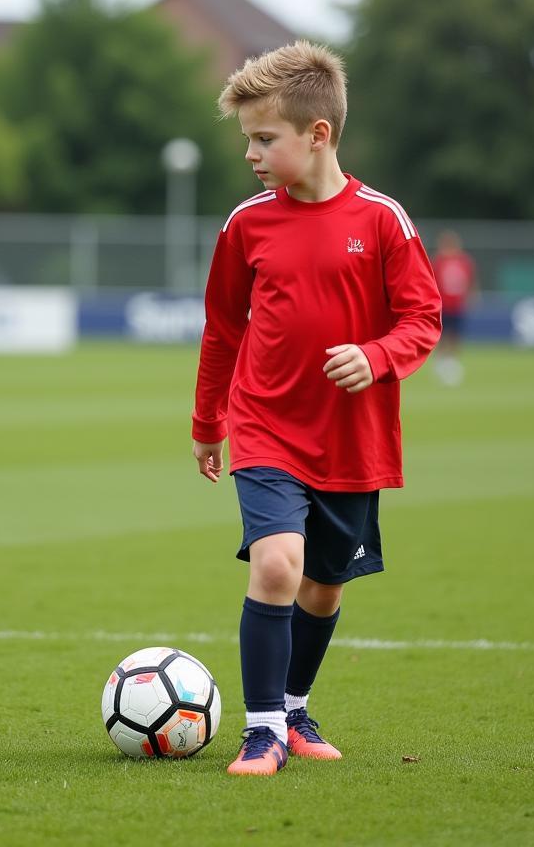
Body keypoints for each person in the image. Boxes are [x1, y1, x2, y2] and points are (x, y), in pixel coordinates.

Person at [191, 41, 441, 777]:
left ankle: (293, 707)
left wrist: (378, 355)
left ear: (318, 134)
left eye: (264, 139)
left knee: (324, 585)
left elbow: (422, 319)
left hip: (352, 439)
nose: (252, 154)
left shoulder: (385, 220)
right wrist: (210, 424)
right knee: (277, 564)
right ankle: (261, 730)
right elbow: (223, 330)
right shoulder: (246, 225)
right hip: (266, 425)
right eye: (248, 140)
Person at [431, 230, 477, 385]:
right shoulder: (438, 261)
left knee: (455, 336)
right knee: (442, 335)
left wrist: (471, 296)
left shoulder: (464, 261)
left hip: (458, 305)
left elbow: (470, 281)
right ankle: (440, 363)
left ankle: (452, 362)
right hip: (442, 305)